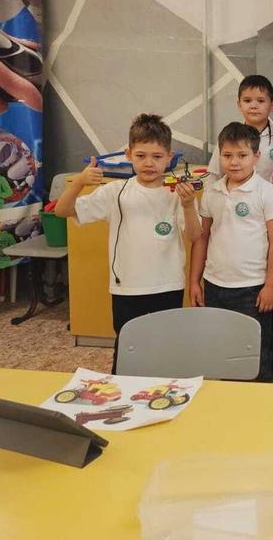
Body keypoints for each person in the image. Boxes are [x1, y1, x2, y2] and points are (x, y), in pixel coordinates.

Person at [56, 113, 202, 372]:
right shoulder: (115, 192)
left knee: (165, 351)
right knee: (128, 350)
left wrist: (189, 205)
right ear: (128, 154)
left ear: (170, 157)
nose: (149, 163)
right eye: (141, 155)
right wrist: (79, 182)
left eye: (157, 157)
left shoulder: (177, 192)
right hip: (127, 288)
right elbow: (62, 210)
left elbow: (194, 235)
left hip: (168, 285)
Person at [190, 122, 273, 381]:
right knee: (220, 350)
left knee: (255, 355)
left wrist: (271, 286)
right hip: (214, 285)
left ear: (256, 156)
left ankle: (257, 402)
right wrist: (194, 281)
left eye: (242, 155)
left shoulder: (268, 193)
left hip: (252, 289)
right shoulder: (211, 192)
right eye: (227, 155)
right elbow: (202, 238)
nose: (234, 162)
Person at [206, 75, 273, 181]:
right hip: (234, 191)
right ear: (239, 105)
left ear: (272, 105)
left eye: (261, 101)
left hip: (271, 191)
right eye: (247, 101)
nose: (253, 106)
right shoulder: (228, 137)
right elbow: (214, 175)